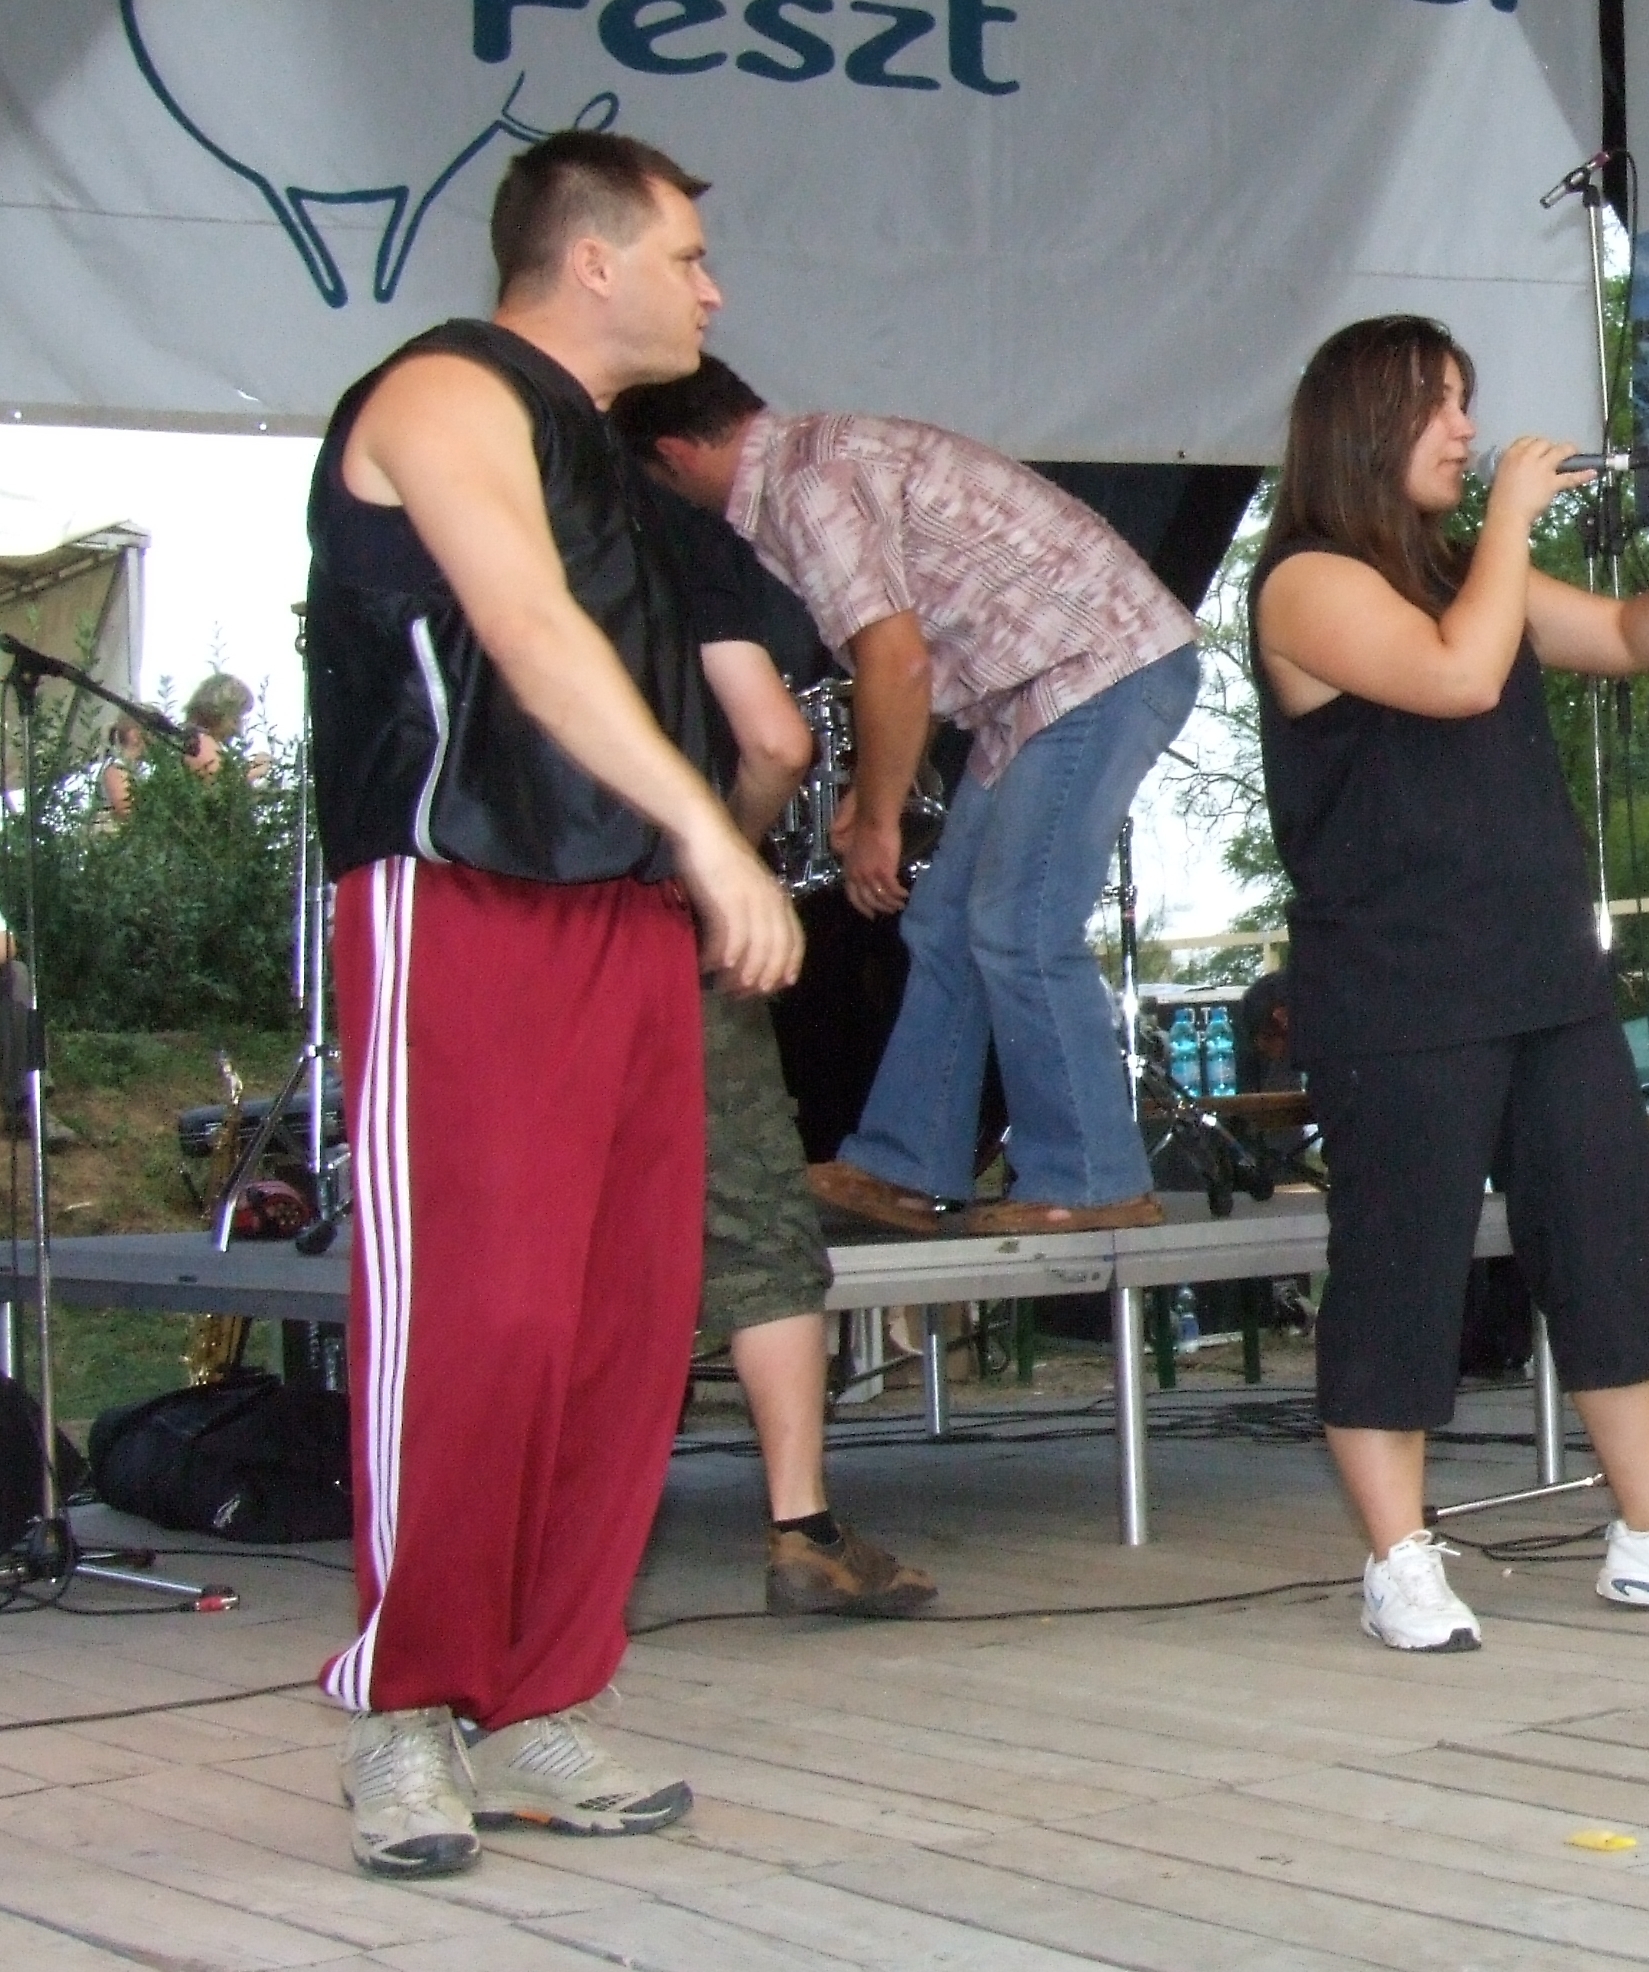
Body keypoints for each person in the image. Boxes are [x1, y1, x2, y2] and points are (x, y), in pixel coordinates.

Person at [304, 130, 803, 1880]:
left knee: (619, 1324)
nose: (712, 291)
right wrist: (713, 836)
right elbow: (521, 625)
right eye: (686, 256)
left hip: (619, 922)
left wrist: (702, 843)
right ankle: (404, 1708)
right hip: (461, 901)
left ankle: (535, 1698)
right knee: (483, 1318)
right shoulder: (441, 392)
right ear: (591, 260)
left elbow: (734, 696)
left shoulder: (622, 468)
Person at [1247, 315, 1649, 1650]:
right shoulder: (1305, 582)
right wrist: (1507, 519)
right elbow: (1454, 674)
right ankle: (1398, 1557)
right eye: (1440, 405)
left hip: (1541, 972)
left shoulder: (1463, 571)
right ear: (1365, 425)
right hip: (1400, 988)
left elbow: (1617, 635)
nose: (1467, 427)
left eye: (1467, 401)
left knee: (1609, 1239)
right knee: (1404, 1265)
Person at [613, 357, 1200, 1239]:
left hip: (1098, 668)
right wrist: (874, 786)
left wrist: (880, 818)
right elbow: (913, 646)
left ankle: (1093, 1177)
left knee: (1019, 924)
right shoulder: (814, 462)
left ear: (671, 455)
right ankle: (906, 1163)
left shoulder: (807, 484)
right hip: (1040, 689)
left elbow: (896, 659)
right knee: (943, 922)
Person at [651, 485, 938, 1620]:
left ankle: (536, 1525)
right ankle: (802, 1526)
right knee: (756, 1212)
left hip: (509, 916)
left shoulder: (484, 502)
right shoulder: (674, 532)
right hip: (660, 909)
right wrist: (719, 852)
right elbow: (777, 738)